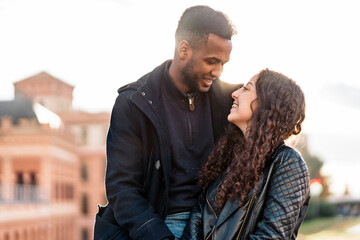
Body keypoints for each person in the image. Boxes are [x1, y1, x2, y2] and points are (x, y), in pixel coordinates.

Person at [93, 5, 240, 240]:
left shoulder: (229, 101)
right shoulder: (134, 103)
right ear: (184, 49)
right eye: (212, 61)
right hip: (156, 224)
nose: (218, 72)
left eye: (224, 63)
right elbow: (122, 189)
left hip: (211, 223)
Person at [181, 69, 310, 240]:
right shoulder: (226, 158)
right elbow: (195, 225)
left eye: (246, 89)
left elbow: (272, 237)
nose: (235, 94)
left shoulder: (288, 163)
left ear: (266, 104)